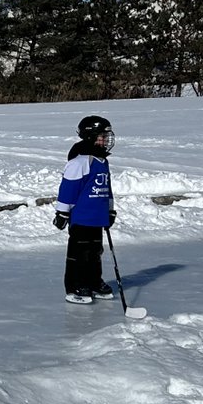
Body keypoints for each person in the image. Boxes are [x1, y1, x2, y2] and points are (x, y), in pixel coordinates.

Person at [53, 116, 117, 304]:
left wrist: (110, 210)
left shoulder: (102, 161)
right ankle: (75, 286)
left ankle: (93, 282)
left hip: (97, 217)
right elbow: (68, 189)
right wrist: (62, 212)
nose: (105, 140)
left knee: (95, 252)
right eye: (102, 136)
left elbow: (107, 189)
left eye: (106, 136)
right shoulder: (80, 162)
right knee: (79, 253)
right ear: (90, 136)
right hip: (81, 218)